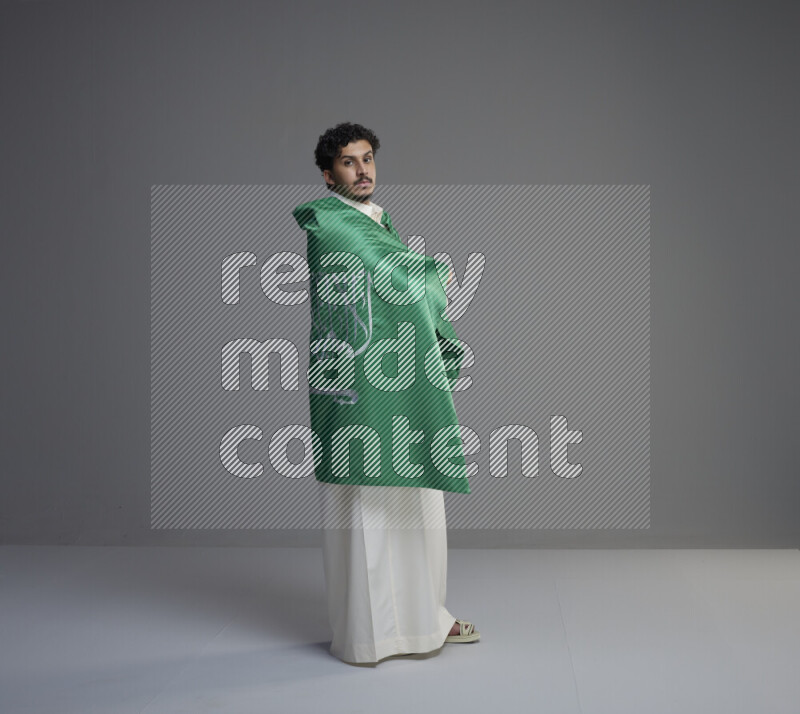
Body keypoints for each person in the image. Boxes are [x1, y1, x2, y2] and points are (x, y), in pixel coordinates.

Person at [292, 122, 479, 664]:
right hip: (357, 385)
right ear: (329, 176)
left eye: (368, 158)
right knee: (365, 503)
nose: (363, 169)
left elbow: (400, 284)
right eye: (349, 162)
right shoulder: (331, 224)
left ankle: (424, 623)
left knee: (413, 500)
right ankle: (369, 636)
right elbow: (406, 281)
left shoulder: (380, 224)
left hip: (398, 378)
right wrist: (430, 278)